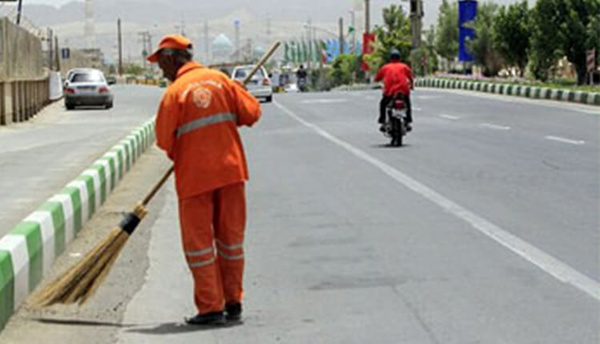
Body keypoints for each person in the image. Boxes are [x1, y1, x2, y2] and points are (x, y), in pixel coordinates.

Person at [147, 34, 261, 325]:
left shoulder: (174, 93)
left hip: (195, 178)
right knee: (230, 242)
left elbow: (163, 140)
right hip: (231, 173)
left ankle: (211, 307)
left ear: (172, 58)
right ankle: (233, 301)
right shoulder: (221, 81)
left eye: (161, 63)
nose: (161, 70)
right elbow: (252, 114)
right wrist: (237, 96)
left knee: (199, 245)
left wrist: (184, 151)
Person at [374, 49, 414, 132]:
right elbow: (410, 77)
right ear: (399, 58)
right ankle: (408, 120)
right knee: (407, 104)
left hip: (389, 92)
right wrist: (412, 86)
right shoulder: (404, 66)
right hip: (403, 91)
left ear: (391, 58)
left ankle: (382, 120)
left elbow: (377, 78)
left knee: (383, 104)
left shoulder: (385, 67)